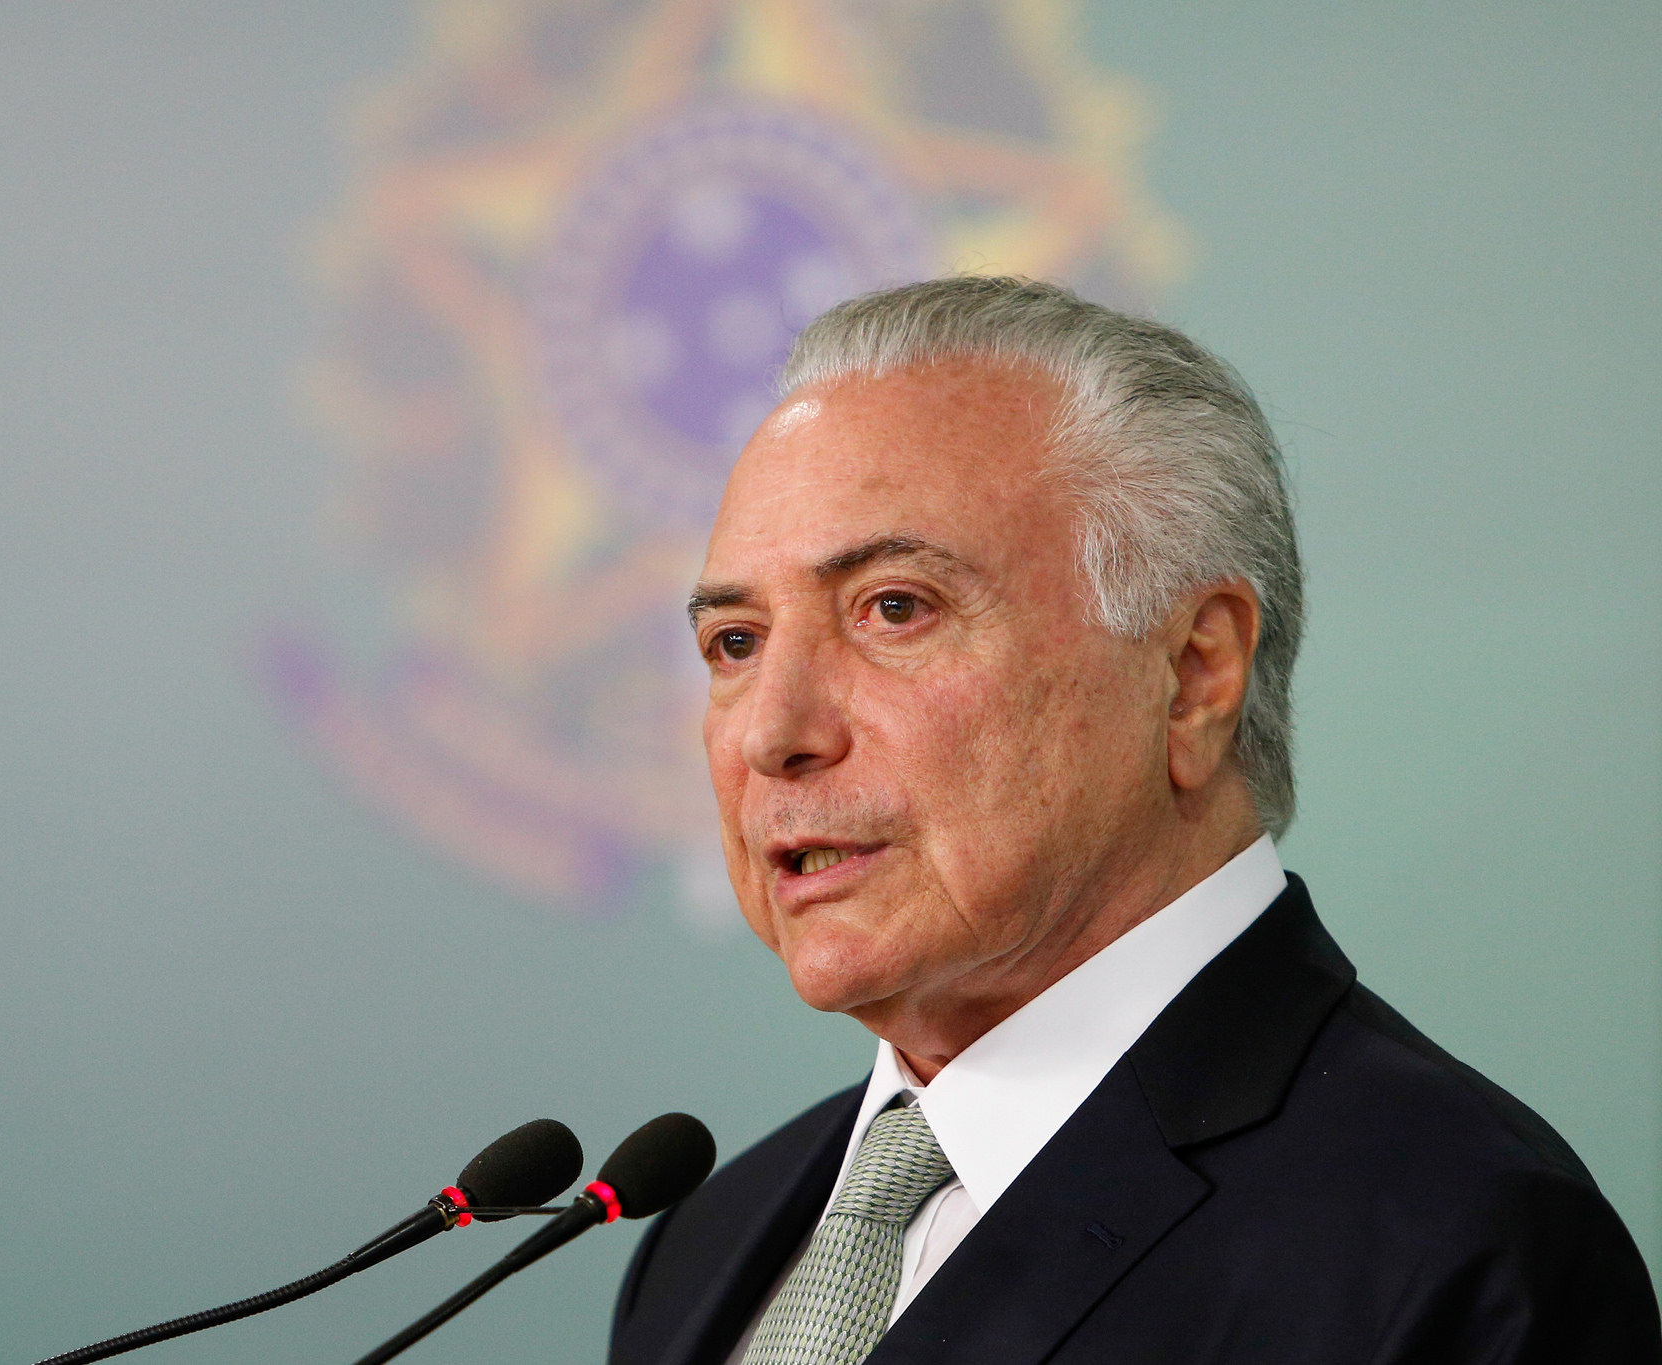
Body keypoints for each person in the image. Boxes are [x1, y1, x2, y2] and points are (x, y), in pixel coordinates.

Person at [609, 276, 1659, 1364]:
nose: (769, 733)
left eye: (893, 608)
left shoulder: (1451, 1247)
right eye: (734, 642)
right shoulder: (708, 1236)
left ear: (1192, 673)